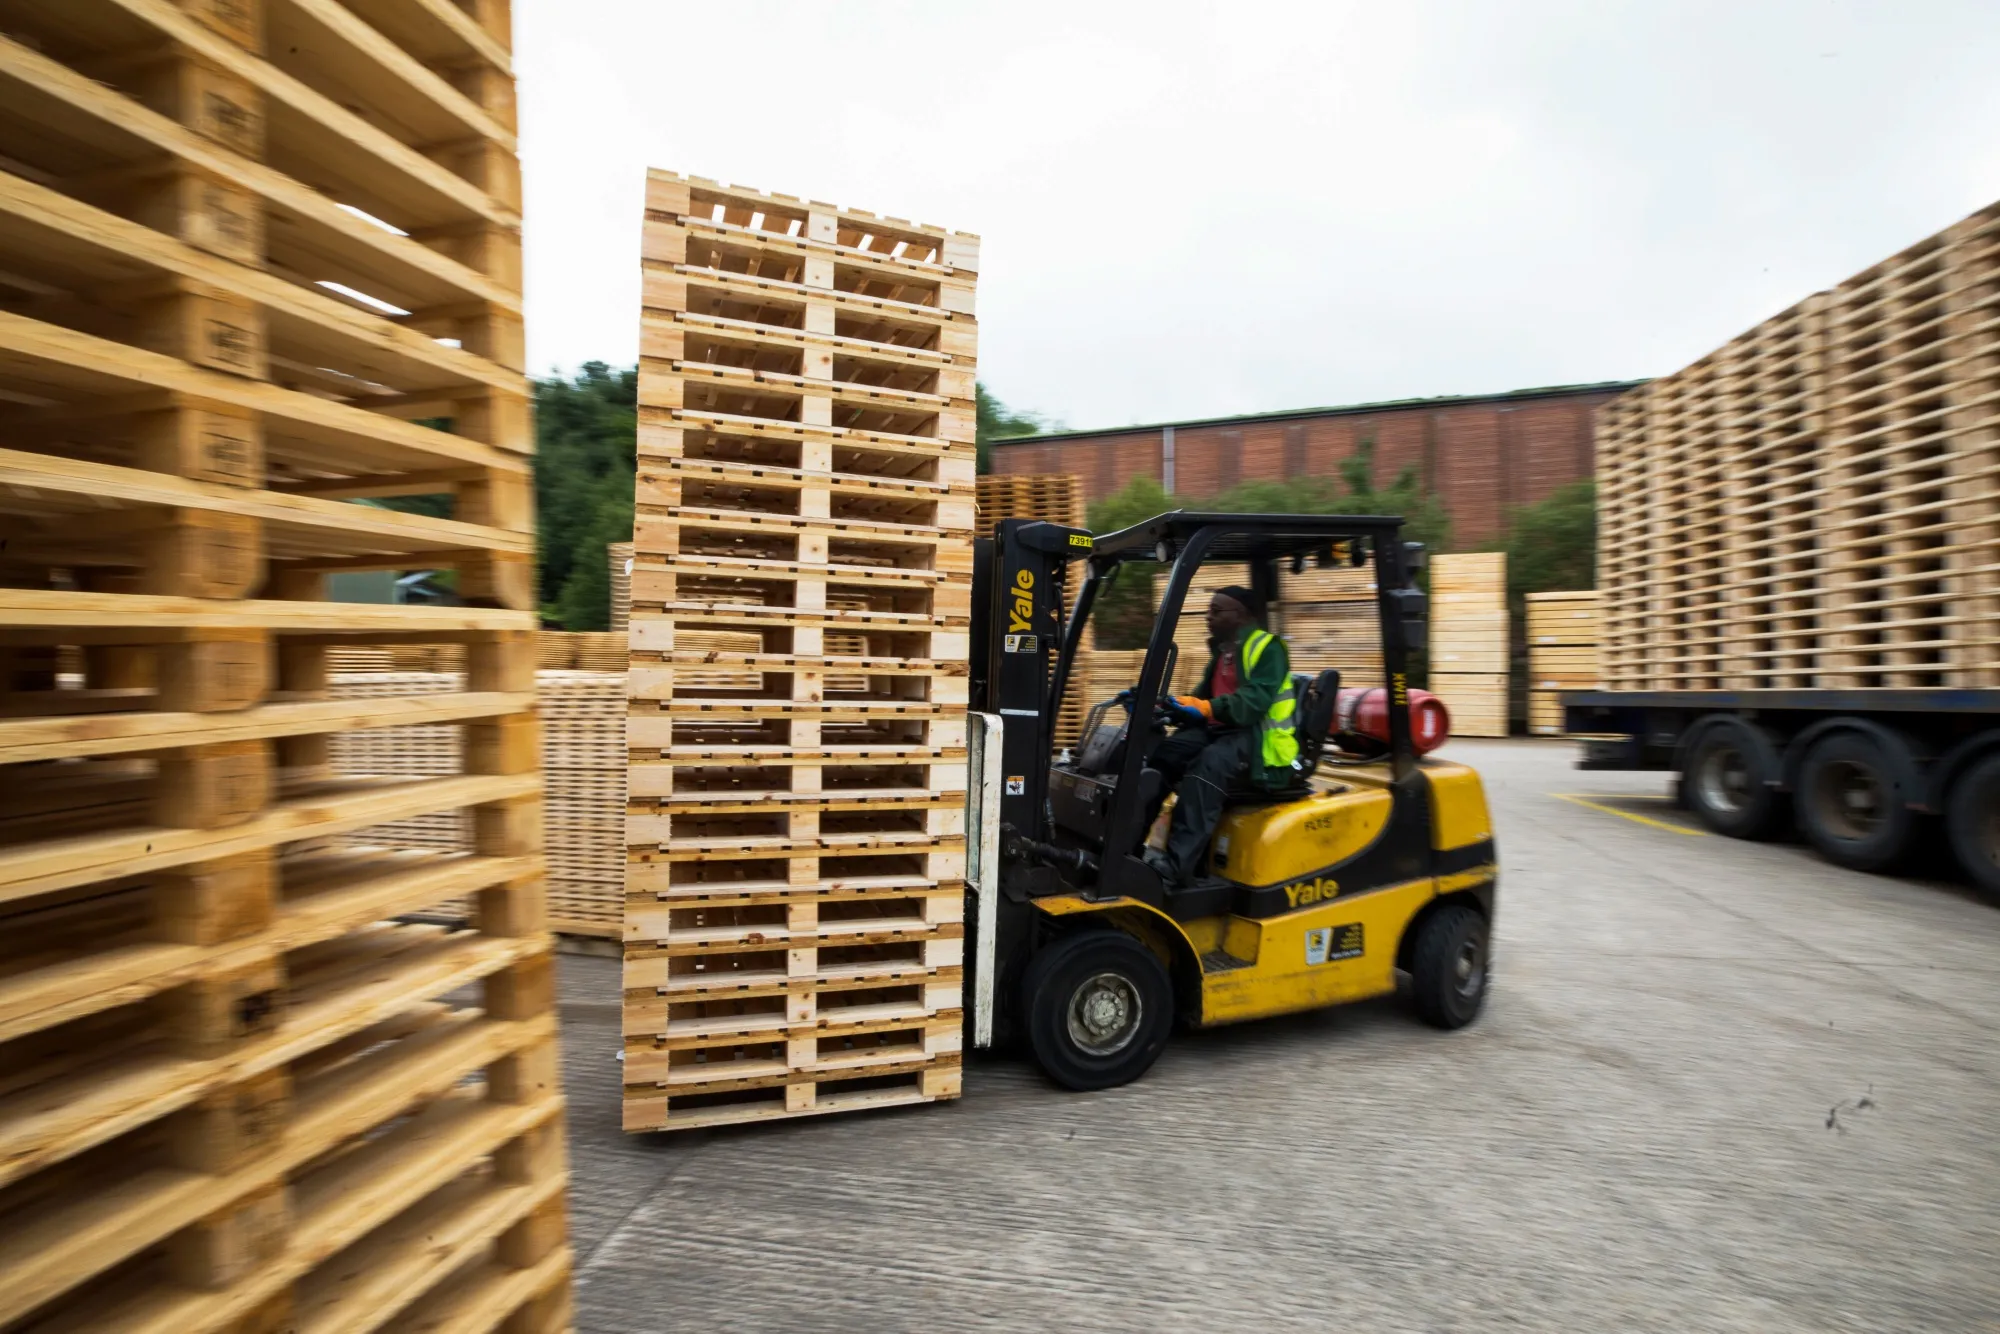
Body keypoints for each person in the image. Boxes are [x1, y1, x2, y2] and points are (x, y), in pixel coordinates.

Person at [1133, 584, 1299, 885]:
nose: (1208, 617)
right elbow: (1202, 699)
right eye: (1209, 610)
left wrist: (1206, 708)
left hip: (1258, 738)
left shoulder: (1269, 649)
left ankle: (1175, 866)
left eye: (1216, 611)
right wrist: (1165, 706)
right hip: (1223, 732)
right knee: (1164, 756)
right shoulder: (1224, 653)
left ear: (1243, 615)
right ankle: (1128, 848)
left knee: (1206, 767)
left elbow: (1253, 703)